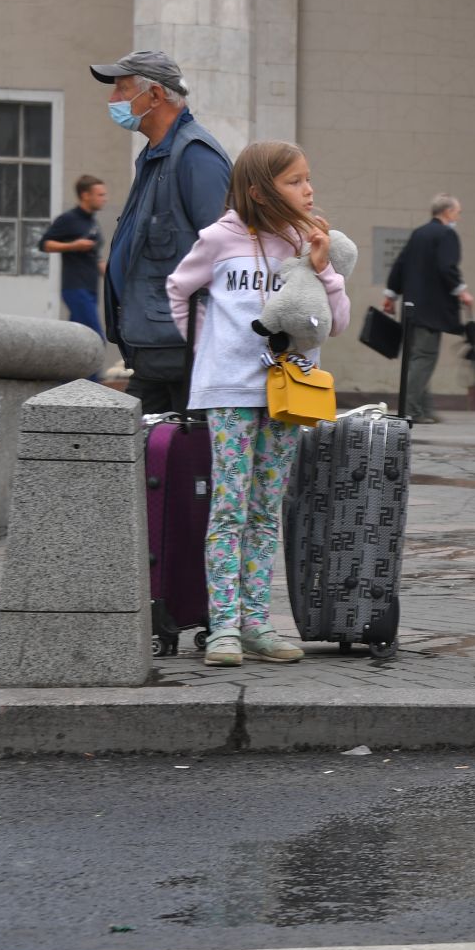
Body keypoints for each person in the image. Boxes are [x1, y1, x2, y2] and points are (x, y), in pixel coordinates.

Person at [167, 141, 350, 669]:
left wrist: (324, 268)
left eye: (308, 178)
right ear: (258, 189)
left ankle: (256, 623)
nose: (308, 189)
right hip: (229, 390)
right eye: (295, 181)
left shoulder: (307, 240)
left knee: (267, 510)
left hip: (289, 391)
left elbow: (334, 322)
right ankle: (222, 626)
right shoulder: (219, 238)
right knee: (229, 506)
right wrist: (207, 349)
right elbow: (180, 289)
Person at [92, 51, 231, 413]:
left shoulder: (196, 156)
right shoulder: (156, 156)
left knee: (178, 461)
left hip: (184, 357)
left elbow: (224, 255)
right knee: (139, 458)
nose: (112, 100)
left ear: (154, 95)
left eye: (122, 90)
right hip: (154, 350)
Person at [383, 194, 474, 424]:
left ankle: (423, 409)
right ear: (448, 212)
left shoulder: (419, 233)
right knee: (423, 358)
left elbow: (400, 265)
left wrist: (391, 295)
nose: (458, 217)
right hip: (431, 311)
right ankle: (410, 410)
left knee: (417, 358)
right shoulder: (447, 234)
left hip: (412, 308)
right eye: (458, 212)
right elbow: (447, 267)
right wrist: (461, 290)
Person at [41, 175, 108, 349]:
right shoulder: (68, 219)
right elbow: (44, 244)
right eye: (100, 195)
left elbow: (97, 257)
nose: (104, 199)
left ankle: (66, 376)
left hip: (91, 288)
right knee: (95, 338)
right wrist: (73, 245)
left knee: (75, 342)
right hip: (75, 287)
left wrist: (113, 280)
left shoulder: (92, 221)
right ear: (86, 195)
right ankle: (93, 377)